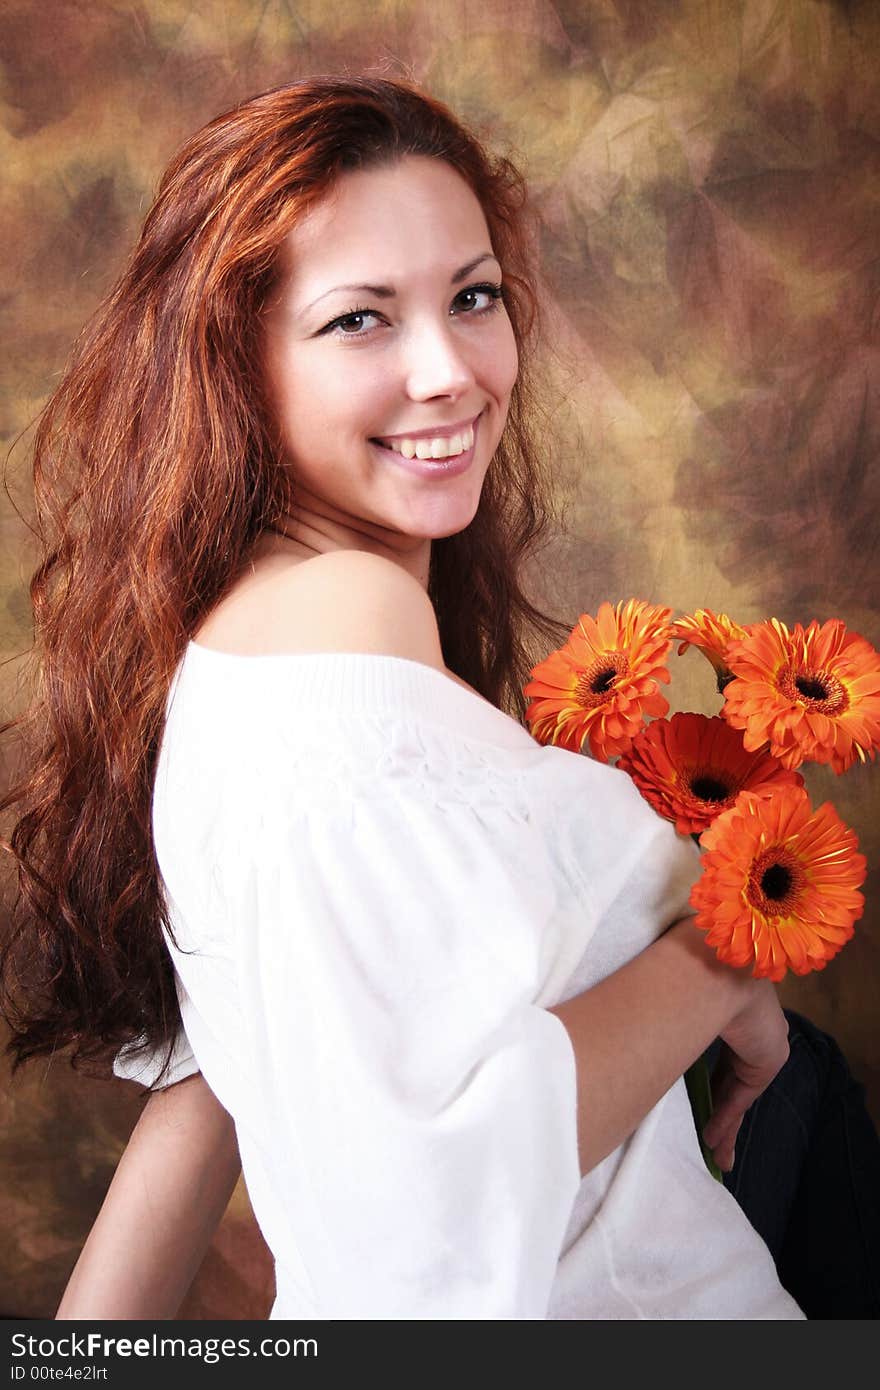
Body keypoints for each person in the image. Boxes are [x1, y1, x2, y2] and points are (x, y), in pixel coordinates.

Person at [1, 73, 870, 1321]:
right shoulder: (345, 618)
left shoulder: (244, 645)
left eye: (473, 298)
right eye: (360, 321)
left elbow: (215, 1090)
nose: (449, 373)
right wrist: (722, 955)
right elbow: (433, 1184)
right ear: (234, 364)